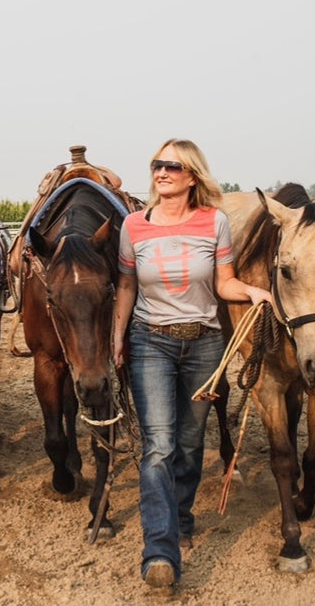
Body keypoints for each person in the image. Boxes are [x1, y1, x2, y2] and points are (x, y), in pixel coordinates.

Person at [112, 138, 272, 590]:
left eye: (172, 166)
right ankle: (159, 551)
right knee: (159, 444)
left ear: (192, 176)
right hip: (151, 342)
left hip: (204, 344)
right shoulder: (133, 226)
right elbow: (126, 286)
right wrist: (117, 334)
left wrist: (253, 292)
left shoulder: (214, 222)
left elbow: (224, 284)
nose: (161, 172)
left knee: (189, 441)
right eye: (157, 164)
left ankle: (180, 517)